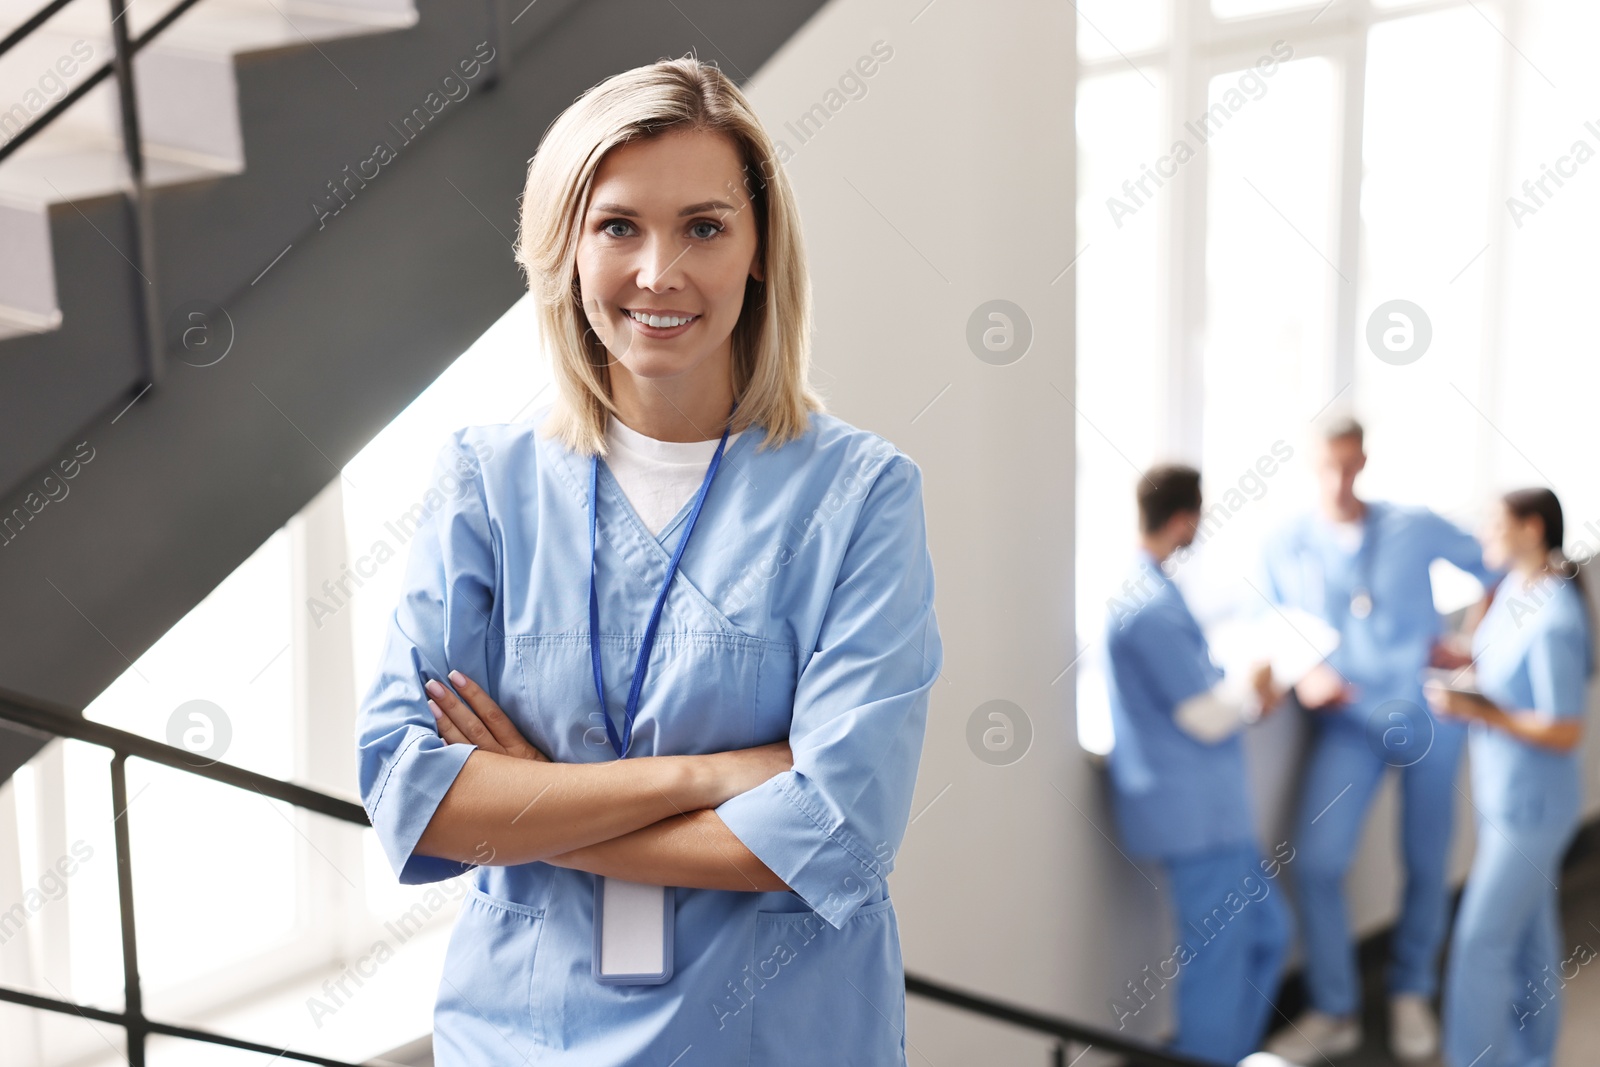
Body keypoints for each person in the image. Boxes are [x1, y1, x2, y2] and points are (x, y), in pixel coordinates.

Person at [353, 57, 942, 1066]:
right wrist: (704, 774)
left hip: (775, 1035)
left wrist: (531, 803)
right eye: (618, 224)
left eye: (704, 226)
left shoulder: (860, 495)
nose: (658, 272)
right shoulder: (486, 484)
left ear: (758, 249)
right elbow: (414, 792)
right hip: (524, 1034)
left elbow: (837, 832)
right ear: (567, 247)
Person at [1261, 417, 1499, 1064]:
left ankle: (1410, 992)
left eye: (1349, 464)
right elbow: (1270, 616)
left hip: (1425, 712)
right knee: (1316, 863)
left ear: (1363, 460)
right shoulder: (1285, 541)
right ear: (1310, 466)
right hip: (1350, 723)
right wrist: (1303, 668)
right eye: (1327, 466)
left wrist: (1476, 644)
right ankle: (1335, 1008)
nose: (1340, 480)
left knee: (1427, 860)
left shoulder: (1411, 524)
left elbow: (1498, 562)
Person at [1103, 463, 1291, 1064]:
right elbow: (1202, 715)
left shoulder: (1155, 589)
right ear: (1185, 520)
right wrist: (1253, 681)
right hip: (1196, 819)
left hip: (1213, 814)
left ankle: (1233, 1052)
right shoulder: (1147, 605)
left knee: (1268, 935)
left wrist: (1243, 692)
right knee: (1216, 960)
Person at [1427, 488, 1594, 1067]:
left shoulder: (1555, 616)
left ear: (1530, 528)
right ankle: (1533, 1058)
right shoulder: (1511, 593)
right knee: (1531, 941)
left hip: (1534, 811)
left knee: (1479, 943)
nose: (1482, 538)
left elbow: (1565, 728)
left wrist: (1481, 712)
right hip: (1503, 799)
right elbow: (1496, 666)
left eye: (1493, 525)